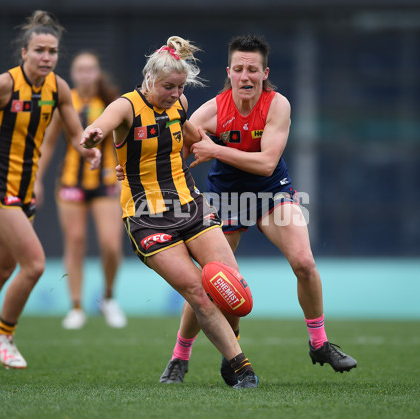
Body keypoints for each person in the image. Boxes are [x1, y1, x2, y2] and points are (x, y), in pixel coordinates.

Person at [160, 34, 357, 385]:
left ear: (265, 73)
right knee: (209, 281)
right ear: (229, 72)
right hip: (225, 197)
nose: (246, 76)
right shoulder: (212, 110)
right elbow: (176, 144)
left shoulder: (278, 105)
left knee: (305, 263)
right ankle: (179, 357)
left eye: (253, 69)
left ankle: (319, 343)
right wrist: (139, 166)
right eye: (239, 69)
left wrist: (215, 150)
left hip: (271, 193)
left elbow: (267, 163)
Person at [81, 36, 258, 388]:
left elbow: (191, 136)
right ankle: (241, 367)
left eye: (180, 87)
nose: (175, 94)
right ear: (149, 80)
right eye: (168, 87)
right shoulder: (126, 107)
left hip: (190, 205)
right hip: (147, 216)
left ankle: (201, 351)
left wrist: (216, 149)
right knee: (197, 290)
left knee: (228, 286)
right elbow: (100, 125)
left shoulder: (179, 105)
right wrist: (93, 137)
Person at [0, 10, 101, 369]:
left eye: (53, 51)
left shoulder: (58, 88)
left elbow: (76, 134)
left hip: (25, 192)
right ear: (24, 53)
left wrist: (89, 151)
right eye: (40, 50)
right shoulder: (1, 85)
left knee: (1, 270)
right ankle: (3, 336)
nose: (47, 57)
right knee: (35, 264)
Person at [36, 51, 126, 330]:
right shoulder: (65, 101)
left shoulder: (112, 101)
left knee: (111, 244)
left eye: (91, 69)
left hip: (107, 182)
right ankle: (75, 306)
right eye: (80, 69)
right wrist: (36, 179)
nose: (86, 74)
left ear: (98, 72)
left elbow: (127, 139)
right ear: (73, 74)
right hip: (71, 183)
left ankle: (108, 298)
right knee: (74, 242)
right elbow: (49, 142)